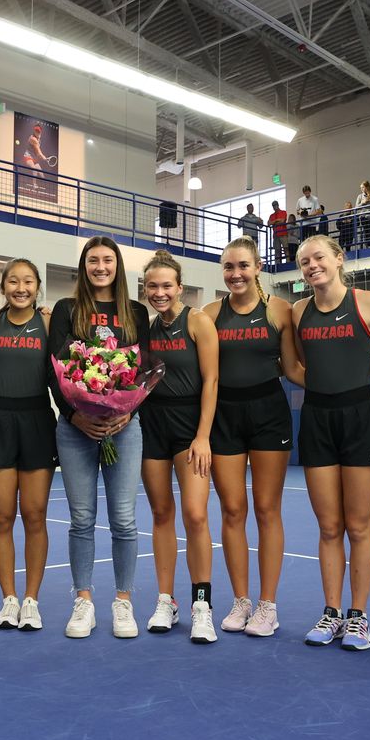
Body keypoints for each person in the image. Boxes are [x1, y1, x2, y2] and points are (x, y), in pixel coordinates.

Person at [292, 235, 370, 652]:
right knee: (329, 526)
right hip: (317, 420)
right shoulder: (298, 310)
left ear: (338, 259)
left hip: (360, 419)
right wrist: (322, 387)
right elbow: (294, 365)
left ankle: (358, 616)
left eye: (318, 257)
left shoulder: (369, 302)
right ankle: (331, 612)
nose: (311, 265)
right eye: (304, 261)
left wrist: (359, 373)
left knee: (357, 525)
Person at [49, 236, 151, 639]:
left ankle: (123, 601)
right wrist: (75, 416)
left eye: (108, 260)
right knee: (82, 519)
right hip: (75, 430)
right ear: (84, 266)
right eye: (93, 260)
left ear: (118, 266)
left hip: (124, 428)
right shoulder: (66, 309)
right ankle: (84, 602)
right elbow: (54, 366)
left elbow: (142, 372)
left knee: (124, 520)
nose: (101, 267)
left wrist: (126, 411)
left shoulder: (135, 312)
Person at [203, 236, 305, 637]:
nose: (235, 274)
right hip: (224, 415)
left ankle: (267, 605)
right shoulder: (210, 314)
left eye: (242, 266)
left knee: (266, 509)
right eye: (228, 267)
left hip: (268, 414)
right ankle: (241, 600)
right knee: (232, 510)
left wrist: (342, 383)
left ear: (258, 267)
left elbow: (294, 369)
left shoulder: (278, 310)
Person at [141, 250, 221, 643]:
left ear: (180, 287)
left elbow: (211, 381)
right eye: (152, 286)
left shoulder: (198, 321)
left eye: (166, 286)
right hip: (152, 425)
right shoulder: (146, 327)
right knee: (160, 513)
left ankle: (201, 604)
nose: (159, 292)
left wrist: (203, 436)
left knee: (195, 514)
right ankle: (165, 600)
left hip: (190, 425)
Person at [0, 259, 56, 631]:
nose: (20, 288)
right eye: (13, 281)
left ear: (37, 285)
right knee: (2, 516)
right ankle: (8, 599)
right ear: (3, 286)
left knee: (35, 515)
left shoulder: (50, 322)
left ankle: (31, 600)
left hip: (37, 421)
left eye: (27, 281)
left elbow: (65, 371)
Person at [268, 200, 289, 266]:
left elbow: (282, 221)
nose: (274, 207)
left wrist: (274, 222)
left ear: (278, 205)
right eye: (273, 206)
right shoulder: (271, 215)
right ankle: (278, 264)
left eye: (275, 205)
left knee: (285, 248)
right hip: (275, 235)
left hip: (283, 233)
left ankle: (288, 262)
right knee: (277, 250)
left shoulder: (283, 212)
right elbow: (269, 223)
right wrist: (277, 220)